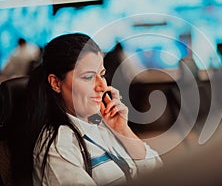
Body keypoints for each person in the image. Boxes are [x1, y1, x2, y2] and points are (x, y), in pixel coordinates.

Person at [24, 33, 162, 185]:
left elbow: (159, 170)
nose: (103, 86)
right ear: (56, 83)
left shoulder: (101, 123)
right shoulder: (58, 147)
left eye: (102, 75)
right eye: (88, 77)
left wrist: (123, 131)